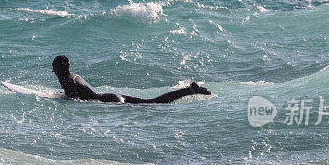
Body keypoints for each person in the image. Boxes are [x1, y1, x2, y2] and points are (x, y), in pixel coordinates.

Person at [51, 55, 210, 104]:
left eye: (54, 70)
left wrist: (59, 98)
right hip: (110, 95)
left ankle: (189, 91)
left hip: (110, 101)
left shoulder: (65, 79)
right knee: (152, 102)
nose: (54, 73)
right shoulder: (75, 76)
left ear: (58, 69)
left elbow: (75, 99)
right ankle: (189, 90)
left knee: (154, 104)